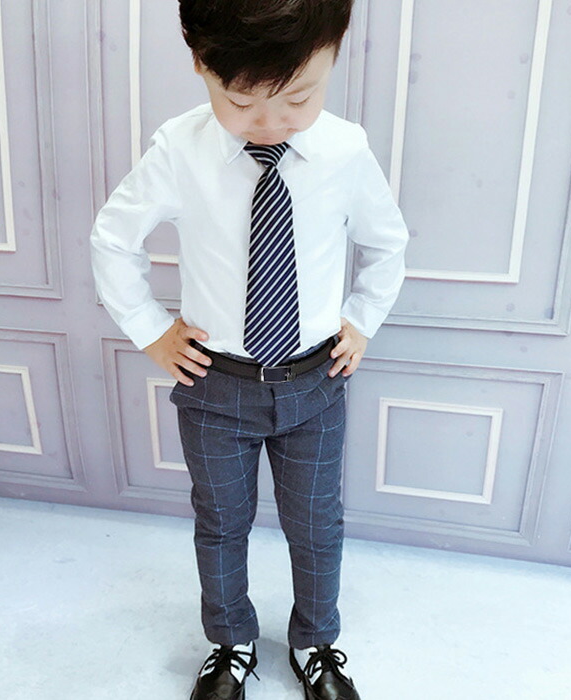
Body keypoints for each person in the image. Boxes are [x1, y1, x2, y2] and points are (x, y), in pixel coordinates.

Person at [90, 1, 409, 697]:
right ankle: (231, 641)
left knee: (317, 523)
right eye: (241, 103)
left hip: (315, 380)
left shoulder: (344, 150)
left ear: (335, 51)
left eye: (297, 98)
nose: (270, 124)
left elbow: (387, 243)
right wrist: (150, 329)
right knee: (221, 522)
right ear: (200, 63)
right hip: (216, 386)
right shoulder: (180, 149)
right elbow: (113, 238)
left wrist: (361, 319)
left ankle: (315, 642)